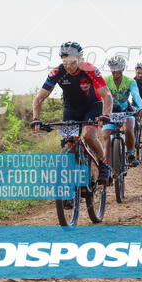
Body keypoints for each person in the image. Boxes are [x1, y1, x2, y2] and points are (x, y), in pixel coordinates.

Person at [31, 41, 113, 184]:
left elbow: (107, 95)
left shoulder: (90, 70)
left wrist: (106, 115)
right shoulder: (57, 72)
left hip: (92, 106)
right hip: (71, 109)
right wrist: (36, 118)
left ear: (80, 59)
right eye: (65, 62)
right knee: (67, 144)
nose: (69, 66)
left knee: (88, 136)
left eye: (73, 62)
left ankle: (103, 163)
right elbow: (39, 98)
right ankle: (67, 187)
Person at [102, 55, 142, 167]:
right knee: (106, 136)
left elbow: (136, 95)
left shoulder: (130, 81)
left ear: (123, 68)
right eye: (113, 68)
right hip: (109, 110)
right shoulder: (105, 80)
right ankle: (107, 167)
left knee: (129, 129)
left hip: (125, 110)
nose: (116, 71)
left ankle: (130, 154)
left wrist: (141, 107)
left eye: (118, 67)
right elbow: (98, 95)